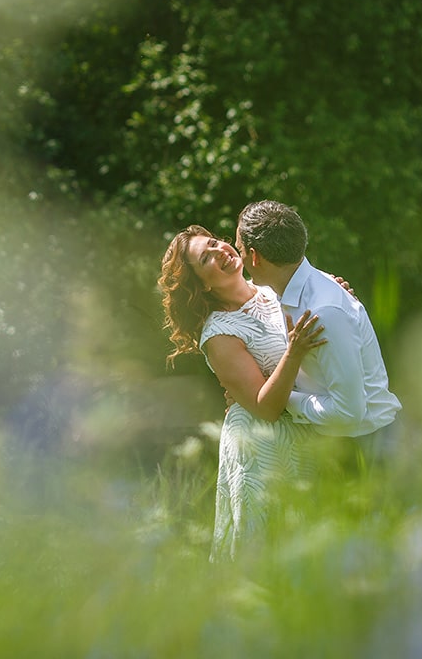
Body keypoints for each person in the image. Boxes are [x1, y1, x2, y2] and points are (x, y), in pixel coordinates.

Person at [159, 224, 327, 560]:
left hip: (307, 434)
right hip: (260, 446)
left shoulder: (271, 289)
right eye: (206, 257)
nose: (221, 250)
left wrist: (332, 295)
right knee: (269, 554)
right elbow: (264, 407)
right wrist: (293, 353)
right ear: (202, 284)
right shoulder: (219, 333)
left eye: (216, 243)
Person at [234, 200, 401, 466]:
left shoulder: (323, 313)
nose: (238, 257)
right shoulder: (281, 290)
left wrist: (281, 398)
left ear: (254, 256)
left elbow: (349, 414)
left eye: (239, 249)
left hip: (366, 450)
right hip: (338, 445)